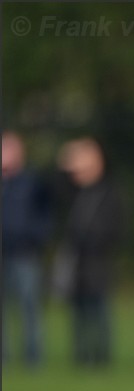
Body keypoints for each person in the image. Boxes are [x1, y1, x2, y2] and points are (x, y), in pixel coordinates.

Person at [53, 136, 126, 367]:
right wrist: (66, 161)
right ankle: (81, 356)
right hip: (77, 261)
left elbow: (117, 226)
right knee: (79, 312)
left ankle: (101, 357)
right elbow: (53, 187)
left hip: (99, 261)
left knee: (99, 310)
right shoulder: (73, 191)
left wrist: (98, 241)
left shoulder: (110, 190)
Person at [1, 130, 53, 368]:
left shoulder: (32, 182)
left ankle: (33, 359)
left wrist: (35, 237)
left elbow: (45, 214)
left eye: (9, 148)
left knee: (29, 306)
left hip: (25, 253)